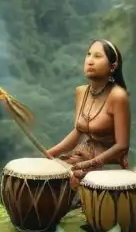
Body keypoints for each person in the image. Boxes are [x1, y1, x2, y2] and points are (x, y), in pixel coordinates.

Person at [46, 39, 131, 192]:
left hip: (108, 162)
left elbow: (122, 146)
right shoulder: (81, 92)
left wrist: (91, 163)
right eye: (88, 55)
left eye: (98, 56)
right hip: (83, 155)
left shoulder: (118, 96)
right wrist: (51, 153)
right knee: (50, 174)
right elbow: (78, 132)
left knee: (68, 181)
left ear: (113, 67)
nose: (90, 61)